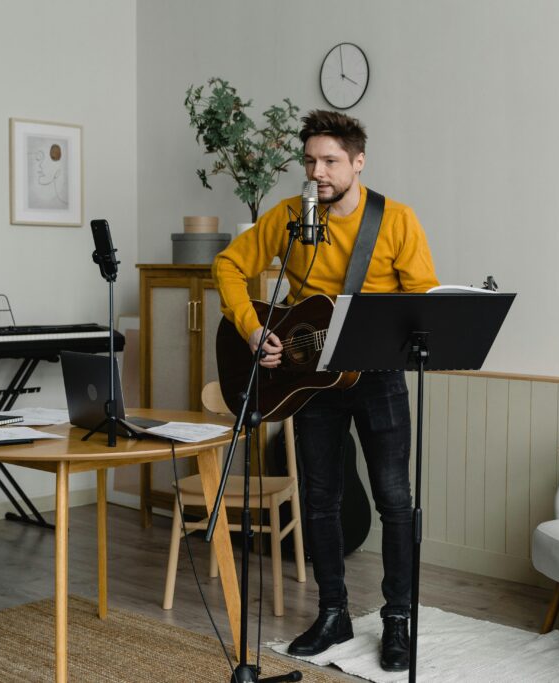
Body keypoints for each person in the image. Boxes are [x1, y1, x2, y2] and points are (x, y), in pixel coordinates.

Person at [212, 109, 439, 672]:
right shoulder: (291, 216)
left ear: (358, 162)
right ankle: (333, 612)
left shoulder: (397, 221)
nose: (318, 171)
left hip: (378, 379)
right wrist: (252, 327)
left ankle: (396, 620)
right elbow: (228, 266)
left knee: (393, 500)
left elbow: (423, 303)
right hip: (307, 378)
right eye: (310, 160)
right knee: (320, 499)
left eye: (331, 161)